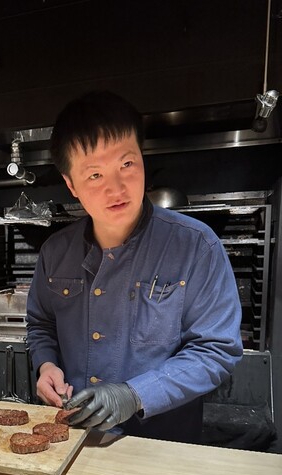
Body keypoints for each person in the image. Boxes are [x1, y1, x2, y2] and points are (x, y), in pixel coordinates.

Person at [26, 90, 243, 444]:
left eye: (127, 164)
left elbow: (216, 350)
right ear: (71, 184)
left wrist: (136, 394)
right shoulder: (55, 252)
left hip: (163, 444)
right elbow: (41, 324)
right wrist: (46, 363)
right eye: (95, 175)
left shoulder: (196, 246)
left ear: (143, 158)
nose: (117, 188)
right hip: (75, 440)